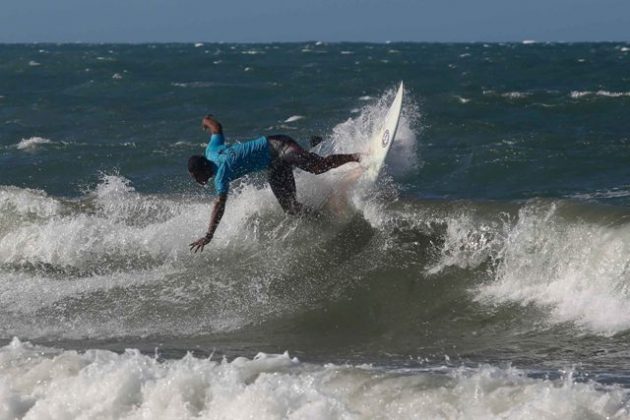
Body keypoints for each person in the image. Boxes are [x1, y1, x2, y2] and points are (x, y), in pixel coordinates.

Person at [188, 115, 361, 252]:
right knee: (291, 208)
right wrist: (206, 120)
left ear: (203, 169)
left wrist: (209, 235)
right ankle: (324, 216)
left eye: (196, 176)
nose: (196, 180)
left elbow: (219, 204)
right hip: (273, 164)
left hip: (278, 146)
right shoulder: (210, 151)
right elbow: (217, 128)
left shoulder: (221, 174)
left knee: (317, 167)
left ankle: (357, 157)